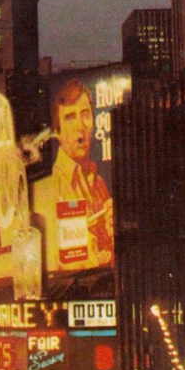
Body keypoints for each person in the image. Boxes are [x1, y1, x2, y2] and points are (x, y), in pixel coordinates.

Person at [33, 78, 114, 273]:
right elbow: (69, 262)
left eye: (85, 115)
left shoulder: (99, 182)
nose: (80, 127)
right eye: (70, 117)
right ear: (57, 132)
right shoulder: (51, 187)